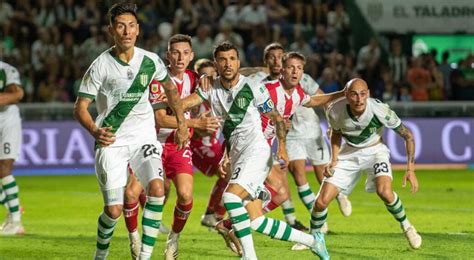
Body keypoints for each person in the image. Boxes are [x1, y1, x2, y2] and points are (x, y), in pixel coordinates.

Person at [181, 41, 329, 260]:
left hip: (257, 151)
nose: (227, 63)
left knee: (231, 197)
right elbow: (184, 104)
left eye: (232, 59)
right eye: (222, 60)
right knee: (256, 220)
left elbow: (276, 118)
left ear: (238, 62)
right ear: (216, 64)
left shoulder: (252, 86)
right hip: (238, 154)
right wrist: (158, 106)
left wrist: (283, 149)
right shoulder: (210, 87)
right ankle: (313, 241)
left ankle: (249, 257)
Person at [73, 3, 188, 260]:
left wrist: (181, 123)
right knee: (113, 211)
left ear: (138, 30)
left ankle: (145, 257)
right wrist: (94, 130)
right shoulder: (101, 65)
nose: (126, 31)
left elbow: (171, 90)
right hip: (111, 142)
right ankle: (100, 254)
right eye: (121, 25)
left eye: (131, 25)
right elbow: (80, 108)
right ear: (111, 30)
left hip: (143, 139)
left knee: (157, 190)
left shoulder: (150, 60)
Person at [122, 34, 221, 260]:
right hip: (151, 143)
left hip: (178, 146)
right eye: (175, 52)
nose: (180, 57)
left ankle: (173, 239)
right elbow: (160, 120)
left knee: (186, 196)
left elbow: (212, 85)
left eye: (185, 53)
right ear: (168, 55)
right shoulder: (158, 79)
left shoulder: (194, 79)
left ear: (192, 56)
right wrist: (195, 122)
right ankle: (134, 236)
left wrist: (201, 91)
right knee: (131, 194)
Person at [311, 78, 422, 252]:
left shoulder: (379, 109)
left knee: (384, 192)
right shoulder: (335, 110)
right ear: (346, 95)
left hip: (375, 151)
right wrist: (333, 160)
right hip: (348, 153)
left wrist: (411, 169)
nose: (359, 99)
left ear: (368, 94)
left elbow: (408, 135)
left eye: (363, 94)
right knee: (321, 202)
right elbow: (336, 134)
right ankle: (313, 240)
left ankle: (407, 227)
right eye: (354, 94)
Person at [192, 59, 228, 228]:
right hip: (198, 144)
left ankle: (212, 215)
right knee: (227, 174)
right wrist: (201, 125)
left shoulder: (219, 94)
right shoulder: (195, 98)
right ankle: (214, 215)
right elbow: (192, 127)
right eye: (204, 75)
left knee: (230, 174)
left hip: (214, 143)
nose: (209, 78)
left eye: (212, 75)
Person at [0, 60, 25, 235]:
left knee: (4, 168)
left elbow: (18, 94)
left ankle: (15, 222)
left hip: (7, 121)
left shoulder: (6, 69)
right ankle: (13, 208)